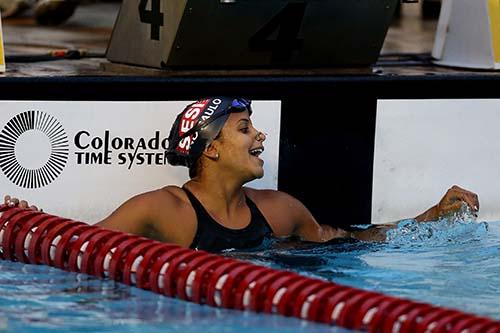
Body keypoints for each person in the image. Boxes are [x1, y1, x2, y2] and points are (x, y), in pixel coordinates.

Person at [4, 97, 480, 252]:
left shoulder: (279, 209)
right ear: (210, 150)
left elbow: (358, 241)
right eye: (245, 128)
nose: (261, 137)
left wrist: (434, 214)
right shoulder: (163, 210)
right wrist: (31, 223)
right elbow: (83, 247)